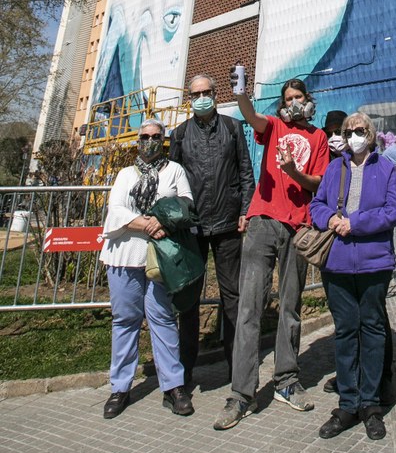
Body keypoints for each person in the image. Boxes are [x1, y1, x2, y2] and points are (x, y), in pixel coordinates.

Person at [213, 76, 330, 430]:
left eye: (298, 97)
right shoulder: (276, 126)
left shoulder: (319, 137)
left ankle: (286, 381)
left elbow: (319, 183)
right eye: (288, 98)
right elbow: (251, 117)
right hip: (264, 221)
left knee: (290, 307)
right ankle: (241, 393)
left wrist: (294, 170)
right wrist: (240, 93)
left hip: (298, 226)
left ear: (308, 100)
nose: (293, 103)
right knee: (250, 307)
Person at [310, 112, 396, 440]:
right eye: (349, 132)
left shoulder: (386, 168)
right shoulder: (335, 168)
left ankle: (371, 404)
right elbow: (316, 205)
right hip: (337, 264)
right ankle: (348, 403)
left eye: (359, 131)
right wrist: (331, 221)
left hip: (374, 264)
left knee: (373, 329)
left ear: (371, 133)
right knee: (346, 330)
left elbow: (393, 210)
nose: (352, 136)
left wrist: (356, 223)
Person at [99, 119, 194, 419]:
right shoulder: (126, 174)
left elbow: (185, 204)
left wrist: (162, 220)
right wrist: (148, 224)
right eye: (144, 136)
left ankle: (173, 386)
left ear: (163, 139)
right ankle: (120, 387)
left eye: (155, 136)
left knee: (163, 318)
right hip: (124, 255)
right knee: (125, 319)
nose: (149, 140)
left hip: (159, 258)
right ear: (138, 140)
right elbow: (116, 209)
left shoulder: (174, 170)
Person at [170, 74, 255, 388]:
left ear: (216, 95)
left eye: (207, 92)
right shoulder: (179, 134)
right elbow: (171, 179)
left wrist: (246, 209)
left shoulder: (233, 128)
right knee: (189, 300)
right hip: (191, 228)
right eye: (196, 94)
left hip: (228, 224)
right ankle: (184, 373)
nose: (202, 97)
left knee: (231, 296)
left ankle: (237, 370)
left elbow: (246, 171)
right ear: (189, 99)